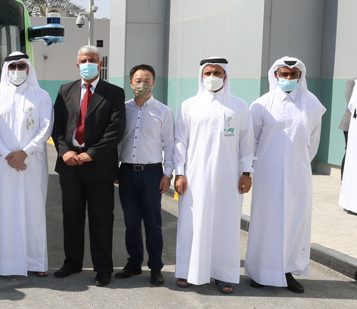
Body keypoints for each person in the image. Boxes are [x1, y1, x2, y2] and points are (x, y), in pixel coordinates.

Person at [174, 57, 254, 294]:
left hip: (228, 177)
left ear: (225, 76)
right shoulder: (189, 105)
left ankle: (223, 274)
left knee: (225, 225)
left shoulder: (238, 106)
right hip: (194, 177)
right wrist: (179, 173)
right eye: (207, 73)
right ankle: (188, 271)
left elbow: (247, 142)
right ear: (201, 76)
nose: (212, 77)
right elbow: (180, 142)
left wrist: (247, 172)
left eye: (217, 73)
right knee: (192, 223)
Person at [245, 57, 325, 294]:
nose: (288, 78)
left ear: (300, 76)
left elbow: (313, 143)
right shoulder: (261, 104)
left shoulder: (312, 104)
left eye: (293, 74)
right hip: (267, 175)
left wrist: (296, 164)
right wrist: (250, 170)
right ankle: (260, 272)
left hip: (298, 175)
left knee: (294, 221)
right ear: (276, 75)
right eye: (284, 74)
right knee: (266, 222)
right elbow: (252, 141)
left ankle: (287, 272)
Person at [51, 45, 126, 286]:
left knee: (101, 219)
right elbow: (57, 126)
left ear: (100, 64)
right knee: (71, 217)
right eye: (83, 60)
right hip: (70, 165)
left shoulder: (114, 93)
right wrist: (65, 151)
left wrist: (91, 154)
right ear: (77, 65)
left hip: (99, 166)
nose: (87, 64)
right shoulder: (65, 90)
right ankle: (72, 262)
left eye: (92, 60)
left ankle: (103, 269)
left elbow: (115, 130)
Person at [0, 52, 53, 277]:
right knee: (4, 212)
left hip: (31, 163)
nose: (16, 70)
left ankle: (36, 262)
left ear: (28, 68)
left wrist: (24, 152)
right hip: (3, 163)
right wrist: (8, 155)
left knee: (33, 212)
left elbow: (46, 128)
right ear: (6, 69)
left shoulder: (41, 95)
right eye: (12, 66)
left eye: (21, 65)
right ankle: (2, 263)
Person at [115, 64, 174, 286]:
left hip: (152, 174)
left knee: (153, 223)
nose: (142, 84)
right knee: (131, 222)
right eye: (138, 81)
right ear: (131, 83)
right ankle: (134, 262)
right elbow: (117, 141)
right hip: (127, 173)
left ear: (154, 83)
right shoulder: (122, 110)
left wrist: (168, 173)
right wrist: (114, 169)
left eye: (147, 80)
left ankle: (156, 266)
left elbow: (170, 145)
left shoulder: (164, 112)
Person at [339, 79, 357, 215]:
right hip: (350, 123)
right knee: (349, 154)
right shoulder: (352, 81)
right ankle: (343, 181)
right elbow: (350, 101)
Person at [339, 77, 356, 180]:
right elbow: (351, 103)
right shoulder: (352, 82)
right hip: (350, 124)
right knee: (350, 151)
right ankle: (344, 179)